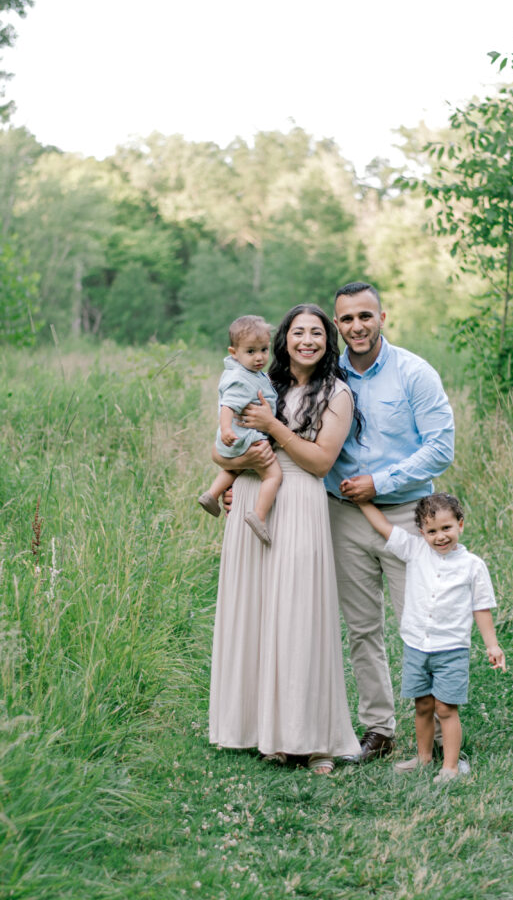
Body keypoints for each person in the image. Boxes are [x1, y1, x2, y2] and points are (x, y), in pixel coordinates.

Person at [209, 304, 360, 772]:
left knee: (299, 616)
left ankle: (313, 738)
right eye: (299, 332)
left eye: (317, 332)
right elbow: (224, 447)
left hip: (301, 500)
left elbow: (319, 463)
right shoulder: (261, 383)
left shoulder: (337, 393)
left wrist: (273, 428)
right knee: (255, 611)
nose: (308, 340)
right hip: (255, 497)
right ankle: (265, 731)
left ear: (327, 340)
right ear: (284, 340)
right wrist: (231, 477)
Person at [325, 281, 455, 761]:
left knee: (422, 626)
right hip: (344, 516)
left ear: (383, 317)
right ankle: (378, 730)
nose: (356, 326)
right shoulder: (325, 375)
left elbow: (441, 448)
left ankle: (442, 733)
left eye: (365, 315)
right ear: (336, 325)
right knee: (361, 628)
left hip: (405, 517)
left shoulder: (414, 373)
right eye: (347, 319)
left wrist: (379, 481)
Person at [357, 492, 505, 782]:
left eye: (447, 528)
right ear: (422, 532)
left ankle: (449, 767)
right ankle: (423, 758)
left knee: (446, 708)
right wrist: (362, 503)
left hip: (451, 650)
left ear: (460, 525)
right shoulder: (414, 550)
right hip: (416, 647)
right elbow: (385, 528)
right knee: (422, 705)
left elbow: (481, 607)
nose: (440, 537)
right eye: (432, 531)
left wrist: (492, 645)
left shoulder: (473, 566)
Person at [198, 315, 282, 546]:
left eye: (264, 350)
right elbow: (228, 406)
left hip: (237, 437)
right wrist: (225, 428)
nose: (259, 357)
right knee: (273, 475)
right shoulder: (241, 378)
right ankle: (259, 515)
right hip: (247, 436)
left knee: (235, 468)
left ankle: (212, 494)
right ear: (234, 352)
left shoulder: (247, 373)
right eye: (251, 351)